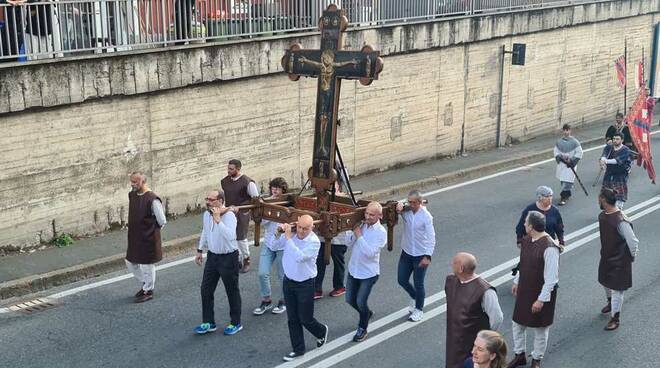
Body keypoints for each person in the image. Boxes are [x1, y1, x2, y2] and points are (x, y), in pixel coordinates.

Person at [272, 215, 329, 361]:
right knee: (292, 318)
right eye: (299, 227)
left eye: (305, 228)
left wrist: (289, 238)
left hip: (305, 284)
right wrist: (278, 233)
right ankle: (298, 349)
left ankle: (321, 331)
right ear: (296, 225)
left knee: (306, 318)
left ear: (312, 228)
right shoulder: (291, 235)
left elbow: (300, 257)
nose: (302, 231)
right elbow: (274, 245)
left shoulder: (314, 242)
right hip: (289, 281)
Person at [508, 211, 561, 368]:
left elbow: (552, 278)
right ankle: (519, 355)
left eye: (525, 222)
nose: (524, 225)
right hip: (525, 289)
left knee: (540, 327)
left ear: (531, 226)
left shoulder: (550, 247)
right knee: (517, 323)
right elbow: (523, 263)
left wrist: (541, 299)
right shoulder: (526, 240)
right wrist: (517, 281)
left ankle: (536, 359)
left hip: (541, 293)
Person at [193, 189, 243, 335]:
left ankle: (236, 322)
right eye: (206, 199)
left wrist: (218, 221)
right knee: (206, 290)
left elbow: (230, 236)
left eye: (211, 199)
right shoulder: (206, 215)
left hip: (228, 257)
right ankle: (209, 322)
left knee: (231, 291)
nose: (207, 202)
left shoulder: (229, 216)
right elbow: (205, 231)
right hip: (213, 257)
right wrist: (199, 249)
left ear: (220, 201)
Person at [445, 253, 503, 368]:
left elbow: (497, 318)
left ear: (461, 269)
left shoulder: (485, 291)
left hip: (473, 346)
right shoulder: (450, 281)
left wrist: (487, 341)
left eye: (454, 262)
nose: (451, 264)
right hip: (454, 342)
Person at [344, 202, 387, 342]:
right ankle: (366, 313)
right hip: (353, 269)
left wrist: (359, 235)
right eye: (366, 213)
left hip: (368, 273)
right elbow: (348, 243)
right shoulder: (361, 224)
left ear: (379, 215)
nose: (367, 217)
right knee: (349, 300)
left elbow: (370, 253)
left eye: (371, 215)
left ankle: (363, 327)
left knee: (361, 301)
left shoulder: (381, 232)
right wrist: (351, 232)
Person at [597, 188, 639, 331]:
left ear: (603, 200)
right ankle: (610, 303)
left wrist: (631, 256)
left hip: (620, 260)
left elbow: (633, 241)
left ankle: (615, 318)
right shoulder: (603, 215)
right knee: (604, 281)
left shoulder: (621, 220)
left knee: (617, 290)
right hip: (607, 257)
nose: (598, 201)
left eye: (599, 198)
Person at [125, 172, 166, 303]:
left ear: (143, 182)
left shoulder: (152, 199)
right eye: (132, 181)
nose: (133, 184)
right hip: (135, 237)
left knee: (147, 265)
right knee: (130, 261)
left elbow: (162, 220)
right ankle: (145, 283)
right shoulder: (132, 195)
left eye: (135, 182)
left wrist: (151, 231)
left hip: (148, 237)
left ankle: (148, 289)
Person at [396, 189, 436, 322]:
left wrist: (427, 256)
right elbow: (397, 206)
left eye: (413, 202)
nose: (410, 204)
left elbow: (431, 238)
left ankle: (419, 309)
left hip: (420, 254)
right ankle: (414, 296)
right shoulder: (406, 212)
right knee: (401, 279)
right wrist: (400, 205)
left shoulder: (426, 217)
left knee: (419, 283)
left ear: (420, 202)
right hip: (406, 253)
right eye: (409, 202)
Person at [253, 177, 289, 316]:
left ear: (283, 190)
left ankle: (284, 300)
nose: (274, 190)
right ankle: (266, 300)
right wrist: (267, 210)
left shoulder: (289, 202)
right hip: (269, 242)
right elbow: (261, 223)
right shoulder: (265, 202)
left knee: (282, 275)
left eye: (277, 188)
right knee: (262, 272)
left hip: (283, 245)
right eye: (273, 188)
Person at [221, 159, 259, 273]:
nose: (228, 171)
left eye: (231, 169)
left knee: (241, 237)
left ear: (238, 169)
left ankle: (246, 259)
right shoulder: (225, 181)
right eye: (228, 168)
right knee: (230, 237)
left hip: (242, 213)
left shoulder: (247, 182)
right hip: (229, 213)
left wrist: (248, 211)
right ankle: (236, 260)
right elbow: (224, 198)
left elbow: (256, 199)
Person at [600, 132, 632, 209]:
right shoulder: (609, 147)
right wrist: (602, 160)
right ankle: (607, 208)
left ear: (622, 140)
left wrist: (606, 161)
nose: (615, 140)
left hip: (620, 174)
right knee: (606, 192)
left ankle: (619, 208)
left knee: (619, 193)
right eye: (614, 138)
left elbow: (617, 161)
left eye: (617, 139)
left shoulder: (625, 150)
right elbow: (604, 155)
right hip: (609, 173)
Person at [553, 124, 583, 205]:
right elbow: (556, 151)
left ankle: (564, 197)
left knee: (568, 181)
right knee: (563, 180)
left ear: (570, 130)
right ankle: (567, 194)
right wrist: (560, 157)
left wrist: (572, 161)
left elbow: (580, 153)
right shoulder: (559, 142)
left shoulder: (575, 142)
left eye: (567, 130)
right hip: (562, 164)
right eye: (565, 130)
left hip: (570, 165)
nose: (566, 132)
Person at [315, 231, 349, 299]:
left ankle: (339, 286)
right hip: (321, 235)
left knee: (338, 262)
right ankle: (316, 289)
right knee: (319, 261)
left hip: (339, 237)